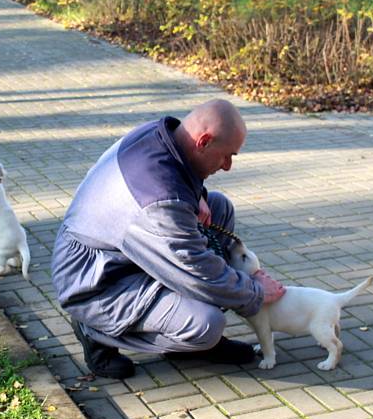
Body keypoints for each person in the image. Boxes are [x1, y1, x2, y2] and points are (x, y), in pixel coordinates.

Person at [51, 99, 285, 379]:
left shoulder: (158, 133)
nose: (227, 166)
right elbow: (198, 271)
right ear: (204, 141)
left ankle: (188, 344)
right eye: (226, 156)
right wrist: (255, 292)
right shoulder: (161, 201)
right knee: (207, 325)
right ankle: (96, 331)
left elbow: (175, 177)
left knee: (218, 208)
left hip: (116, 248)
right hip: (95, 283)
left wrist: (197, 194)